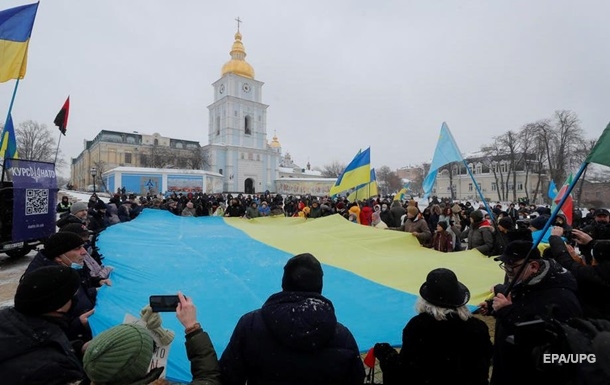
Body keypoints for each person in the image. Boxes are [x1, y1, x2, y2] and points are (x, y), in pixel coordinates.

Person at [219, 253, 365, 385]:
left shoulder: (250, 325)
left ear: (284, 283)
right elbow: (356, 378)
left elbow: (228, 375)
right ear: (319, 286)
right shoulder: (342, 336)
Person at [478, 240, 582, 385]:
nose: (507, 274)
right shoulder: (523, 282)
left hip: (530, 375)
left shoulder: (561, 298)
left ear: (533, 266)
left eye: (511, 268)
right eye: (505, 267)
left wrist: (507, 311)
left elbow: (547, 341)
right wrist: (492, 307)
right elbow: (517, 302)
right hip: (506, 368)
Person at [375, 268, 492, 385]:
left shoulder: (418, 327)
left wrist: (386, 354)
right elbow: (484, 364)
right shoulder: (478, 327)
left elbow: (405, 371)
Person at [82, 292, 220, 385]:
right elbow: (208, 378)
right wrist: (192, 328)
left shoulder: (96, 373)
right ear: (141, 368)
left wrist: (142, 325)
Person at [0, 266, 85, 384]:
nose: (76, 298)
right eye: (73, 295)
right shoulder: (53, 370)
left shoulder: (12, 320)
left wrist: (77, 348)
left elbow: (30, 348)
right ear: (59, 306)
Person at [548, 226, 610, 319]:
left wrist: (555, 239)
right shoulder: (601, 271)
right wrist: (591, 243)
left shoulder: (595, 275)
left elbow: (566, 263)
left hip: (597, 321)